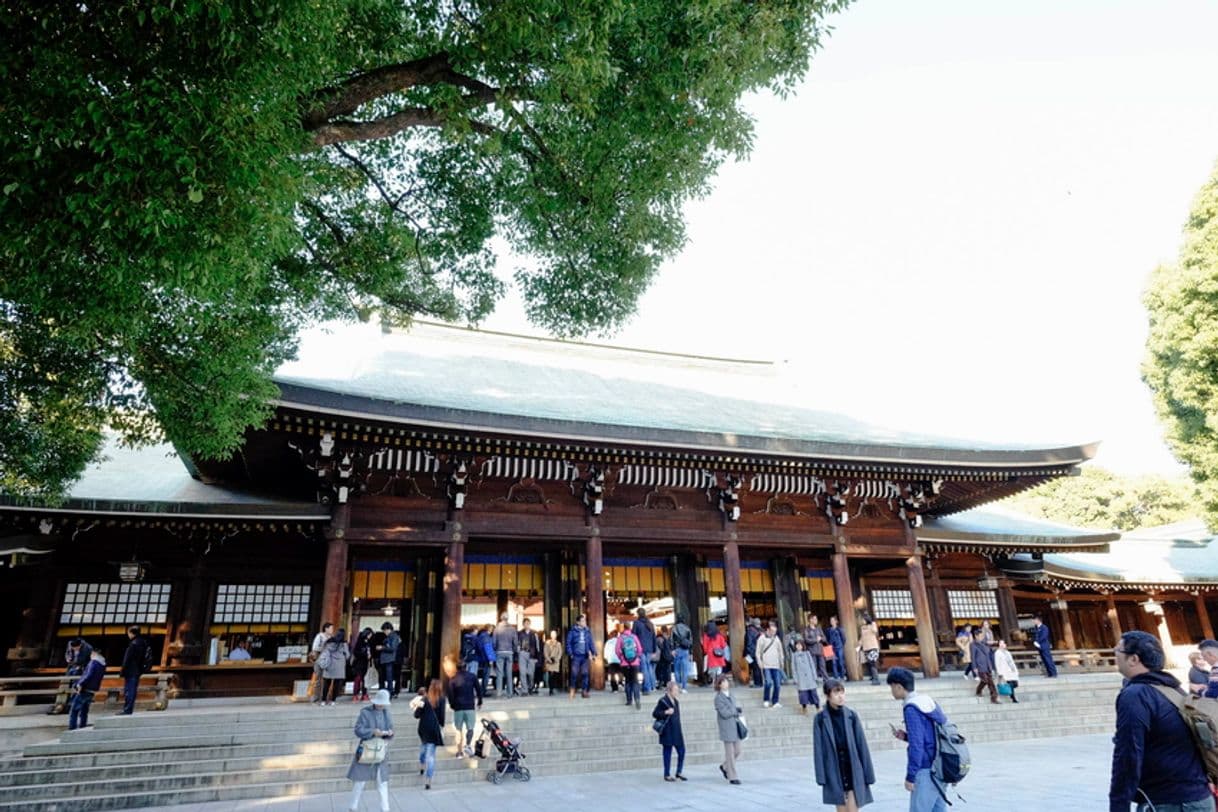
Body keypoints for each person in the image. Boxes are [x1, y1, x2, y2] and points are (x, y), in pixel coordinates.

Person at [1109, 630, 1212, 812]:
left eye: (1117, 650)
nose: (1114, 655)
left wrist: (1119, 805)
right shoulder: (1173, 689)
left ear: (1133, 659)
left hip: (1169, 801)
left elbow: (1128, 754)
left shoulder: (1136, 695)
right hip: (1198, 795)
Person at [887, 666, 949, 812]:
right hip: (939, 765)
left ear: (899, 686)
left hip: (926, 768)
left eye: (892, 687)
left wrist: (911, 776)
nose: (891, 691)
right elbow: (930, 735)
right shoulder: (927, 701)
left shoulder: (912, 709)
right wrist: (906, 736)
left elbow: (917, 745)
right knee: (938, 808)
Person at [813, 679, 876, 811]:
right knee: (841, 808)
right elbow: (818, 749)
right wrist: (821, 776)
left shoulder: (851, 716)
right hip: (834, 768)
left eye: (842, 692)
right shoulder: (820, 719)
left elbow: (861, 745)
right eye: (836, 693)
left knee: (853, 808)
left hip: (852, 766)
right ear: (827, 696)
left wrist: (868, 773)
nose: (841, 696)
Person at [347, 689, 394, 812]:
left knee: (382, 782)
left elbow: (391, 730)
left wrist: (388, 733)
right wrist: (372, 731)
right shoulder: (365, 712)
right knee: (360, 781)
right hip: (366, 750)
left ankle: (385, 808)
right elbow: (358, 730)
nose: (381, 705)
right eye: (380, 703)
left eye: (383, 703)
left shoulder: (386, 713)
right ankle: (353, 806)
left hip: (380, 751)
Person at [412, 679, 446, 790]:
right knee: (431, 755)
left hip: (423, 728)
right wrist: (441, 726)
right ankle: (428, 780)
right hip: (434, 729)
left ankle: (422, 764)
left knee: (424, 747)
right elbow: (442, 717)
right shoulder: (442, 699)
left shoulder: (424, 699)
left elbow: (416, 715)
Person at [713, 673, 744, 785]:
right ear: (720, 685)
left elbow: (734, 707)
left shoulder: (731, 695)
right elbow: (724, 713)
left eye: (727, 681)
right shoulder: (718, 698)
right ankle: (732, 776)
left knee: (738, 750)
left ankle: (724, 766)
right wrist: (735, 711)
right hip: (726, 726)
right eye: (724, 681)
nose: (727, 683)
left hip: (735, 725)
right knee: (730, 753)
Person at [653, 679, 686, 782]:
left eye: (677, 690)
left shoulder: (676, 702)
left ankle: (679, 772)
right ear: (669, 691)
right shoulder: (663, 701)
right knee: (667, 752)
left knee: (682, 751)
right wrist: (666, 712)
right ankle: (666, 774)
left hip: (676, 730)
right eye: (675, 690)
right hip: (667, 730)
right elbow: (655, 713)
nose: (677, 692)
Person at [68, 648, 106, 730]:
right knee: (84, 710)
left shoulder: (93, 662)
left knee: (74, 709)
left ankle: (72, 728)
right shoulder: (102, 664)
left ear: (94, 653)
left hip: (85, 688)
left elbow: (88, 675)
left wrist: (80, 683)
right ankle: (83, 726)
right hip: (93, 689)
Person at [448, 663, 478, 757]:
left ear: (456, 668)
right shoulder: (472, 677)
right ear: (466, 667)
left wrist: (452, 704)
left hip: (458, 707)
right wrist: (480, 700)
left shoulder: (453, 679)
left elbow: (450, 694)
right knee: (470, 728)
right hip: (469, 706)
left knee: (458, 729)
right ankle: (468, 745)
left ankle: (459, 751)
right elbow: (478, 689)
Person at [118, 625, 149, 716]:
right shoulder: (143, 643)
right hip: (138, 670)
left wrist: (122, 670)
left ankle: (127, 709)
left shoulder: (133, 644)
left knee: (129, 690)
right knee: (132, 689)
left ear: (131, 633)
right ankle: (128, 708)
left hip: (131, 670)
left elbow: (127, 659)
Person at [566, 614, 596, 698]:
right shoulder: (572, 631)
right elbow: (568, 643)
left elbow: (591, 642)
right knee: (574, 673)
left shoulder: (587, 631)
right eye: (582, 621)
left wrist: (594, 653)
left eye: (585, 620)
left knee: (585, 673)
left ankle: (584, 691)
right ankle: (572, 690)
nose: (584, 622)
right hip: (576, 655)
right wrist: (570, 653)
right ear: (578, 622)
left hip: (585, 655)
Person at [756, 620, 785, 709]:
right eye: (772, 631)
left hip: (776, 664)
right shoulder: (761, 638)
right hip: (766, 665)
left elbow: (780, 651)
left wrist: (781, 661)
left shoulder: (776, 639)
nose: (773, 633)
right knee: (768, 683)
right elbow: (757, 652)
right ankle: (766, 699)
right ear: (767, 630)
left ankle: (775, 701)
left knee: (777, 684)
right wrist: (759, 662)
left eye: (775, 632)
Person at [617, 623, 644, 709]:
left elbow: (617, 650)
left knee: (628, 681)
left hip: (625, 663)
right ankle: (637, 699)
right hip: (635, 662)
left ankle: (629, 700)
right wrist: (637, 657)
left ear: (624, 628)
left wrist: (621, 658)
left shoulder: (621, 638)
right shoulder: (634, 637)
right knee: (635, 681)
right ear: (630, 628)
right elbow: (640, 649)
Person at [321, 629, 351, 705]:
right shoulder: (343, 644)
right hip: (339, 665)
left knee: (326, 683)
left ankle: (323, 700)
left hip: (329, 663)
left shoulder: (328, 642)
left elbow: (324, 651)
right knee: (336, 684)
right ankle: (333, 701)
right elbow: (347, 655)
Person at [792, 639, 822, 714]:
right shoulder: (794, 655)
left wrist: (814, 675)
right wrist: (795, 678)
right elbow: (793, 668)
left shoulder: (807, 653)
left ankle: (817, 707)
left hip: (809, 676)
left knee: (813, 693)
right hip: (800, 677)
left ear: (802, 645)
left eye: (800, 645)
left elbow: (812, 664)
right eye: (797, 645)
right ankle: (804, 708)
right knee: (803, 694)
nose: (798, 646)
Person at [633, 607, 658, 693]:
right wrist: (654, 649)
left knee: (644, 668)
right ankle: (652, 685)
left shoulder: (636, 623)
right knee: (649, 667)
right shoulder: (650, 623)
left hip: (641, 648)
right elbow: (654, 637)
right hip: (650, 648)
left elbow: (634, 636)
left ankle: (646, 687)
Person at [969, 628, 998, 704]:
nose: (982, 637)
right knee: (985, 680)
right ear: (976, 636)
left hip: (987, 664)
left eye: (982, 635)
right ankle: (978, 690)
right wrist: (974, 667)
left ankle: (994, 698)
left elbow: (988, 654)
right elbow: (973, 656)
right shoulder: (973, 644)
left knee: (991, 682)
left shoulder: (985, 643)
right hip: (980, 665)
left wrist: (991, 666)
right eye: (980, 635)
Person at [493, 612, 517, 698]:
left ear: (501, 618)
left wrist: (496, 649)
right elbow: (515, 642)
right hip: (509, 652)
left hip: (500, 651)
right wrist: (513, 650)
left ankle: (499, 693)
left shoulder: (497, 628)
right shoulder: (512, 629)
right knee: (509, 673)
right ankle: (509, 693)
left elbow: (494, 642)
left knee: (499, 673)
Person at [376, 622, 401, 697]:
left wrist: (382, 647)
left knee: (389, 677)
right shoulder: (389, 637)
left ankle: (390, 692)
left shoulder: (394, 637)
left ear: (388, 629)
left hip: (389, 659)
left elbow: (392, 648)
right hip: (385, 659)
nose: (384, 632)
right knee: (384, 677)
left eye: (384, 630)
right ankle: (385, 691)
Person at [311, 622, 333, 703]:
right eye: (331, 628)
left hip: (328, 660)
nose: (332, 630)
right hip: (319, 659)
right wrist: (324, 648)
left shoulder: (331, 637)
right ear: (326, 629)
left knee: (327, 679)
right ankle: (316, 697)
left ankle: (325, 696)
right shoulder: (319, 636)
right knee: (318, 679)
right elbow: (315, 648)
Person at [517, 617, 540, 696]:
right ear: (523, 624)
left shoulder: (534, 633)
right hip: (522, 653)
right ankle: (524, 690)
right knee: (522, 673)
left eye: (528, 624)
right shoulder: (519, 633)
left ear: (530, 624)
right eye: (525, 624)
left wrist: (537, 657)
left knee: (530, 673)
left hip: (532, 654)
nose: (526, 625)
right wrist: (518, 651)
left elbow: (537, 646)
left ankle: (530, 686)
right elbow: (517, 643)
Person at [671, 614, 694, 692]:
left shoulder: (674, 628)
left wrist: (672, 650)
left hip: (677, 650)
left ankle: (678, 686)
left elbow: (671, 640)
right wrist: (691, 653)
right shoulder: (687, 628)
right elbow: (691, 641)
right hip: (685, 650)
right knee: (685, 670)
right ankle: (684, 687)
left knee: (676, 669)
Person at [993, 639, 1020, 704]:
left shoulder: (1007, 652)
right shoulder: (997, 653)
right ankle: (1013, 697)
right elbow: (997, 663)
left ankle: (1011, 695)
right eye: (1000, 643)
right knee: (1010, 683)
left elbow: (1011, 662)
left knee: (1015, 684)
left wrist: (1015, 670)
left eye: (1003, 643)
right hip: (1004, 671)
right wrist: (1000, 672)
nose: (1002, 645)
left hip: (1011, 670)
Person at [703, 620, 728, 685]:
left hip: (711, 654)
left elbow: (705, 647)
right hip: (719, 653)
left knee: (711, 669)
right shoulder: (719, 635)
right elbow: (723, 645)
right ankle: (718, 682)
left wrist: (706, 652)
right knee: (719, 669)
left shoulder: (706, 635)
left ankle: (713, 681)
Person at [352, 627, 374, 702]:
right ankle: (355, 694)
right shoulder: (359, 642)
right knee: (358, 679)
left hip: (366, 663)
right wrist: (365, 654)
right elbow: (356, 652)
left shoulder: (368, 642)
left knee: (365, 679)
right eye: (370, 634)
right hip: (359, 663)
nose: (370, 636)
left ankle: (364, 694)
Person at [805, 616, 829, 682]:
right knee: (813, 666)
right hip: (812, 651)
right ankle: (813, 680)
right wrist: (816, 640)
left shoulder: (818, 629)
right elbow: (806, 640)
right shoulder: (807, 629)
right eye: (815, 619)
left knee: (822, 666)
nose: (816, 620)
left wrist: (821, 639)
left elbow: (824, 638)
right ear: (810, 620)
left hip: (820, 650)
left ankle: (826, 679)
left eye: (816, 619)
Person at [858, 615, 881, 685]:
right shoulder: (862, 628)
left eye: (863, 620)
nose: (862, 621)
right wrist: (859, 645)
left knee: (872, 663)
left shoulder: (872, 625)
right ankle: (873, 677)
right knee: (870, 663)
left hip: (873, 647)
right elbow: (862, 638)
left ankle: (876, 679)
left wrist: (872, 624)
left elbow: (875, 631)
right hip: (866, 648)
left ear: (866, 619)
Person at [477, 625, 495, 696]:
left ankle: (482, 691)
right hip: (486, 659)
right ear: (489, 629)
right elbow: (488, 648)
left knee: (484, 675)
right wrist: (491, 659)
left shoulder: (481, 636)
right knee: (486, 675)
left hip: (482, 658)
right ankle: (483, 691)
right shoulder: (486, 637)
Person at [544, 629, 563, 696]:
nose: (553, 635)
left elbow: (560, 653)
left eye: (554, 634)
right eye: (552, 634)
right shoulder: (547, 643)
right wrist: (549, 659)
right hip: (549, 661)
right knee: (550, 675)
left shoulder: (558, 644)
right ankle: (550, 689)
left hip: (556, 662)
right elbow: (545, 652)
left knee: (555, 676)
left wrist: (557, 659)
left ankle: (553, 687)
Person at [745, 617, 763, 688]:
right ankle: (760, 682)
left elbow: (749, 643)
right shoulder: (761, 630)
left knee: (755, 668)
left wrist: (750, 653)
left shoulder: (750, 631)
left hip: (753, 652)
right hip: (760, 652)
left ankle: (757, 683)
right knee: (759, 667)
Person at [604, 626, 622, 692]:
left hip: (611, 659)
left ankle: (614, 688)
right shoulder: (620, 641)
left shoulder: (608, 642)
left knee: (612, 674)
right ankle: (620, 682)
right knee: (620, 672)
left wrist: (606, 658)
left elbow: (606, 651)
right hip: (619, 659)